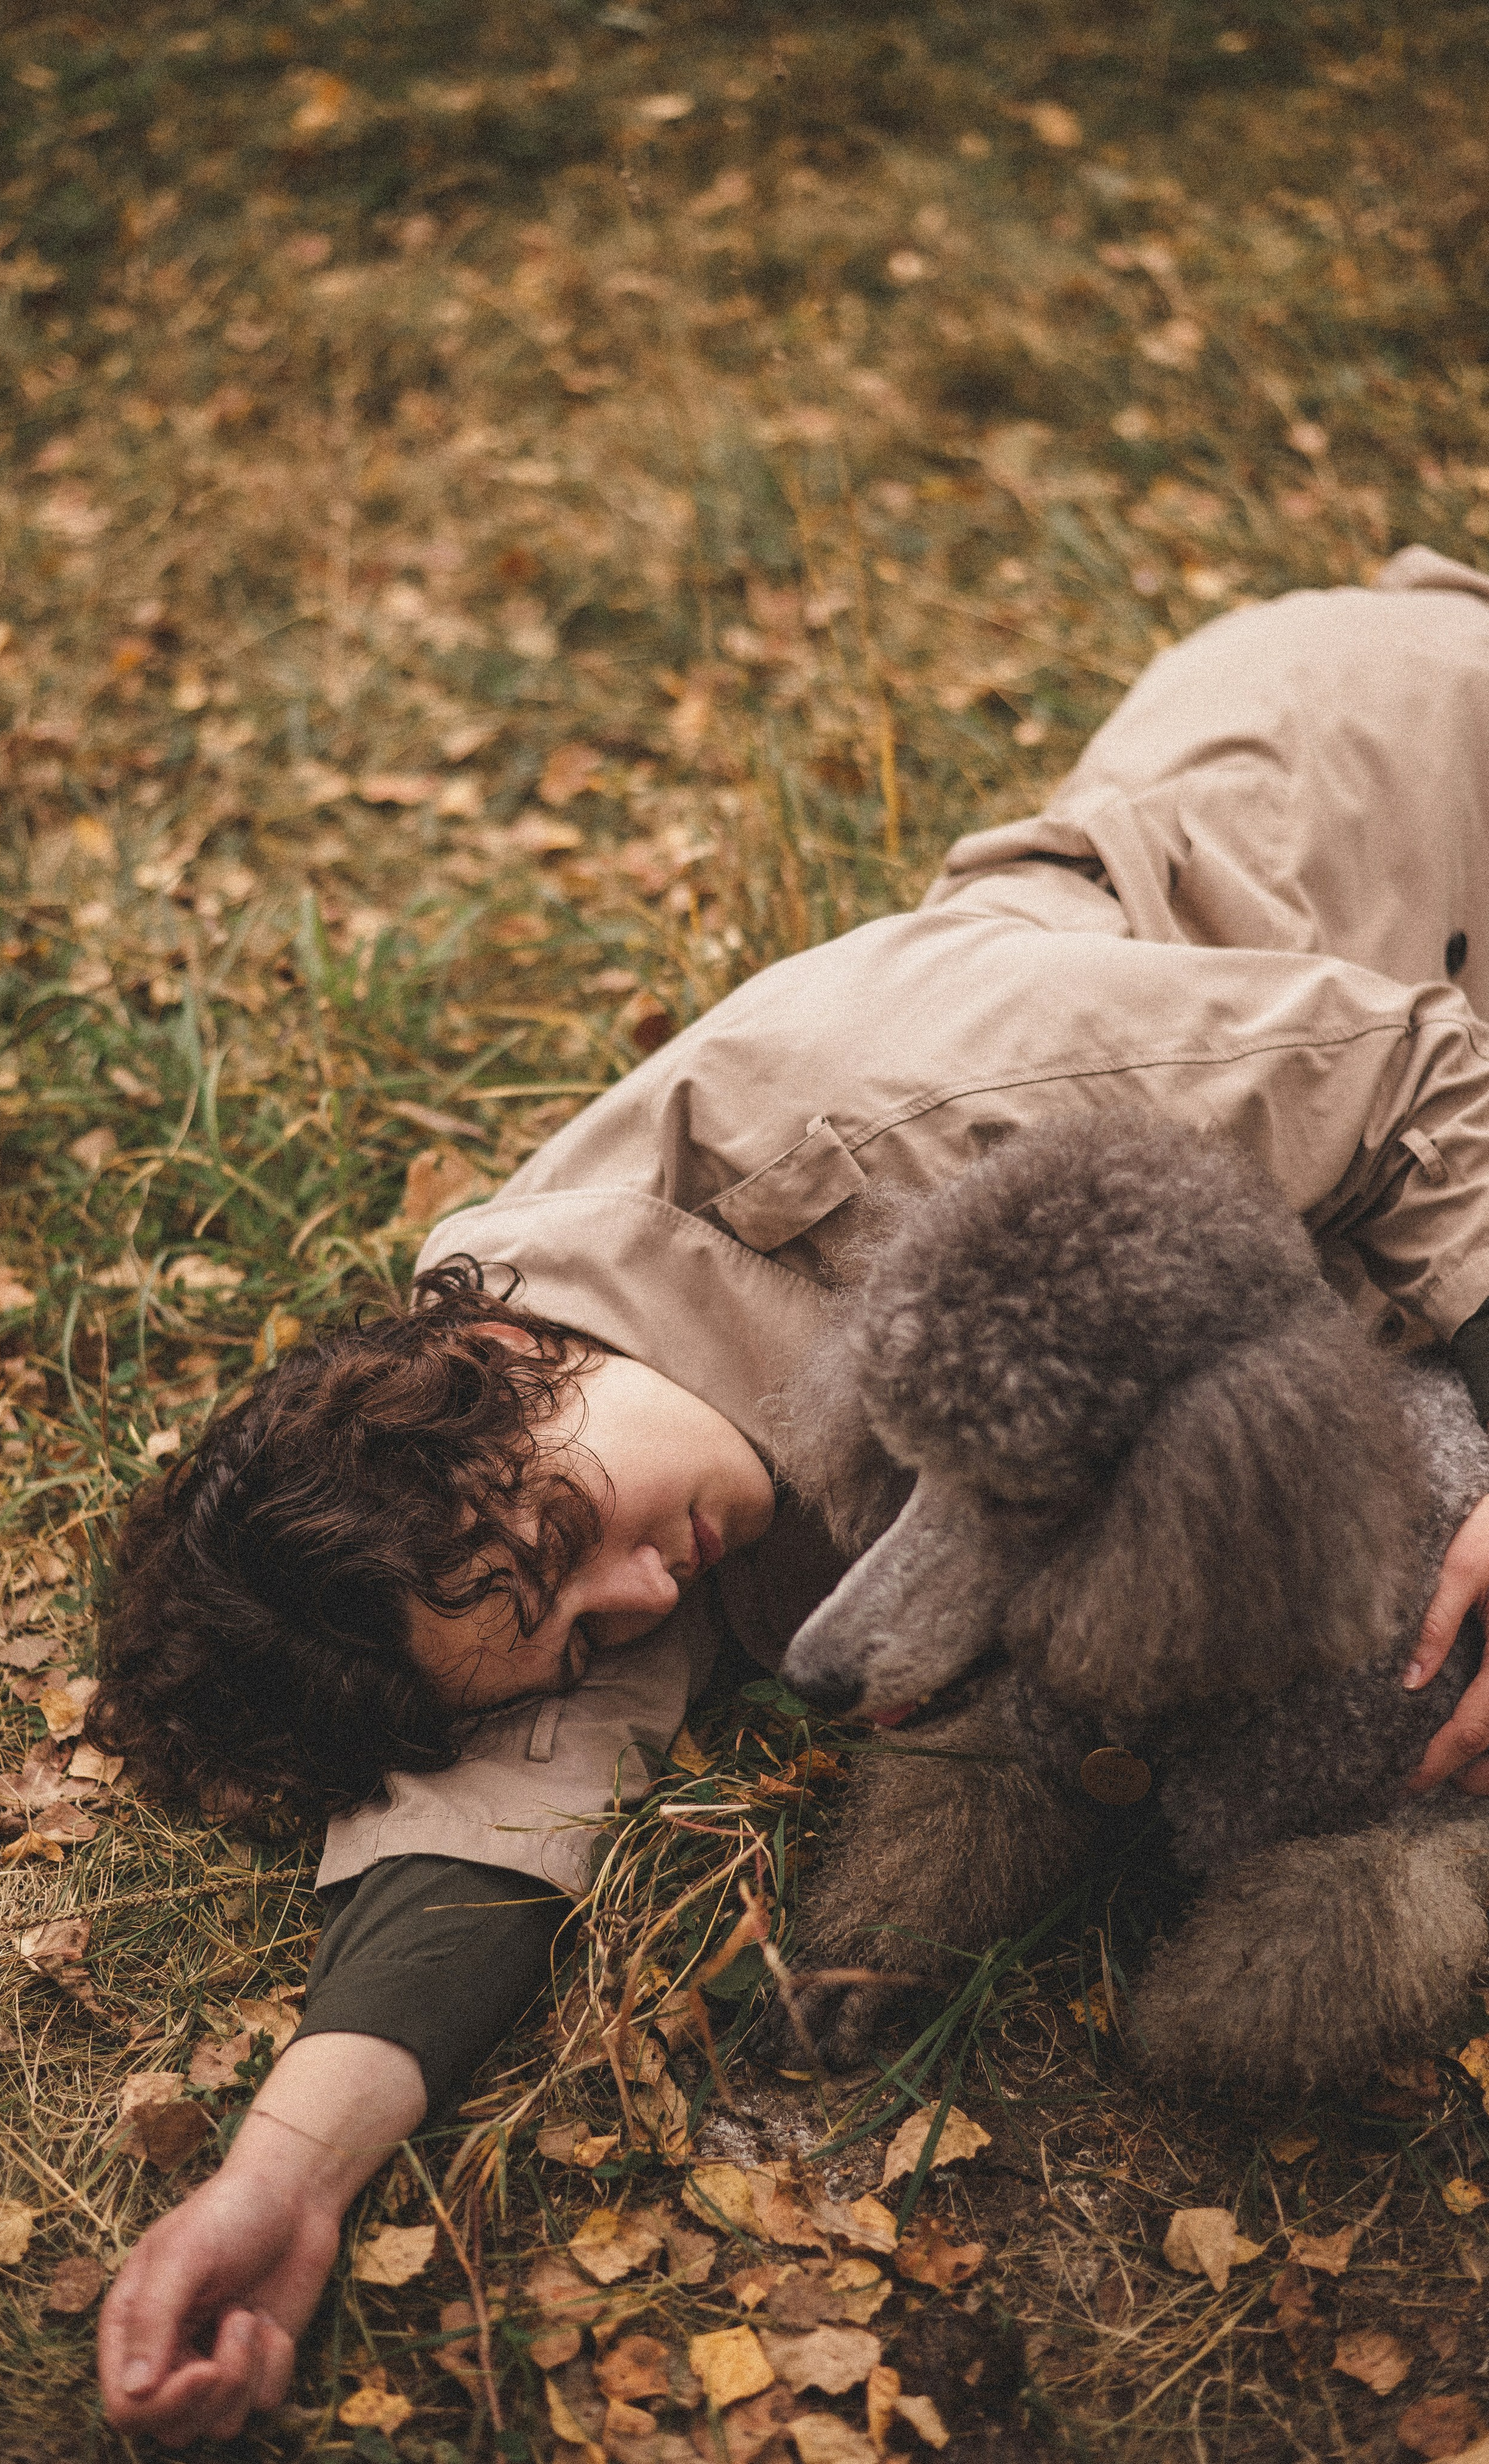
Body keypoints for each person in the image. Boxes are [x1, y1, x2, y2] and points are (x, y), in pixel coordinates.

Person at [96, 544, 1489, 2445]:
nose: (636, 1608)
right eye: (568, 1637)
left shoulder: (879, 1115)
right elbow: (490, 1818)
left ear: (509, 1359)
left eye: (573, 1551)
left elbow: (1421, 1079)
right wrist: (285, 2172)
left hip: (1410, 784)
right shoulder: (532, 1516)